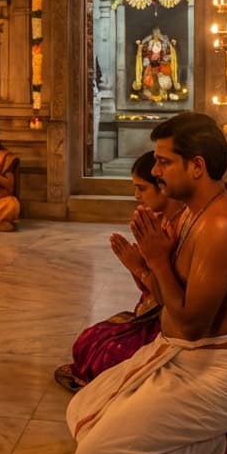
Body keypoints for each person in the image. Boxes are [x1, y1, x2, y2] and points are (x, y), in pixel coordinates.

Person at [66, 111, 227, 454]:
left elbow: (193, 326)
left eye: (164, 162)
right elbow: (166, 301)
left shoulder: (222, 227)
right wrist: (148, 267)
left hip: (220, 370)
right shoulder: (193, 215)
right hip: (182, 353)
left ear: (196, 166)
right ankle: (224, 433)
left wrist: (158, 261)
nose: (156, 172)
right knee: (81, 411)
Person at [55, 152, 185, 392]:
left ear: (162, 187)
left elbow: (166, 296)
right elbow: (151, 289)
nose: (137, 196)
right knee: (88, 340)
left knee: (104, 354)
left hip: (167, 327)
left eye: (141, 188)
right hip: (150, 316)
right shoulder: (162, 221)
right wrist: (138, 267)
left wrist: (139, 267)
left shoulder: (176, 228)